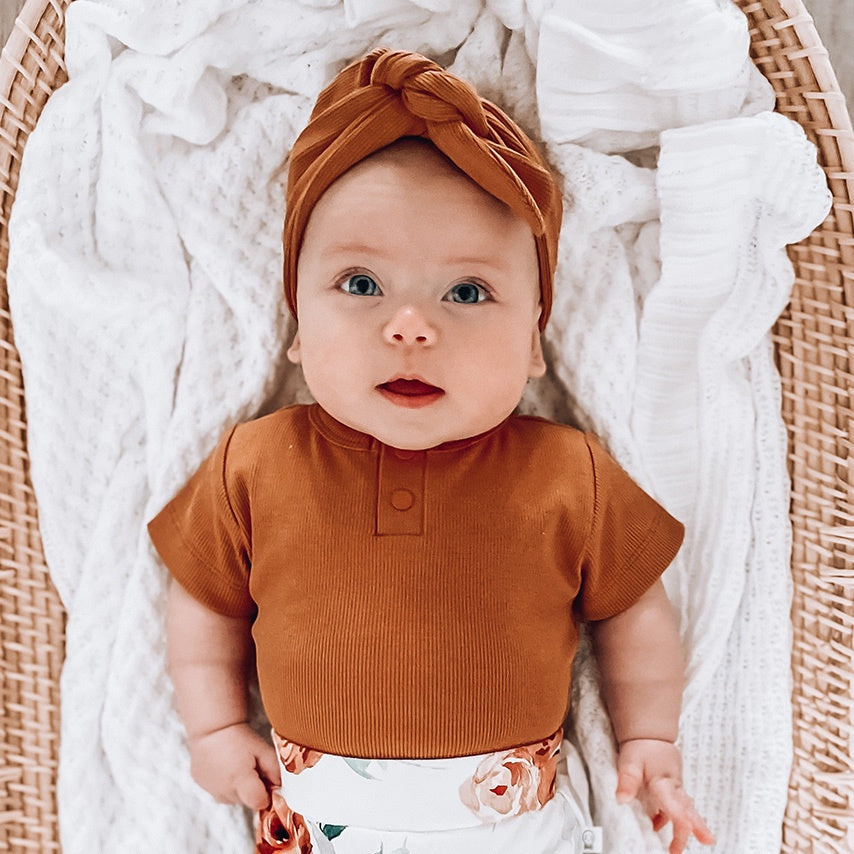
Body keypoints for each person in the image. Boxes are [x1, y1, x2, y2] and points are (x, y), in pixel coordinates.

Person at [148, 48, 715, 854]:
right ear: (297, 331)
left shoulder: (567, 473)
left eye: (467, 293)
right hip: (317, 817)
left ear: (532, 347)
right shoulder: (254, 463)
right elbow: (206, 600)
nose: (410, 326)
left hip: (516, 823)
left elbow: (631, 607)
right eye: (361, 284)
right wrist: (212, 728)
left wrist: (649, 736)